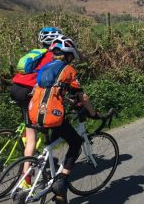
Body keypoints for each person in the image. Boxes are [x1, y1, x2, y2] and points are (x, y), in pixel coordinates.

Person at [28, 35, 98, 204]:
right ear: (68, 56)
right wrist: (93, 113)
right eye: (72, 57)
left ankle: (58, 192)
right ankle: (61, 181)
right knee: (75, 142)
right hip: (52, 116)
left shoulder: (45, 68)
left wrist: (69, 101)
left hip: (34, 113)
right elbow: (84, 97)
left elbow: (50, 91)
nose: (72, 60)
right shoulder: (68, 70)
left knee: (51, 143)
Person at [10, 26, 62, 187]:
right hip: (27, 93)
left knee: (29, 119)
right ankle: (25, 181)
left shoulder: (35, 53)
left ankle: (27, 141)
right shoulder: (52, 57)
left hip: (15, 88)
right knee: (33, 138)